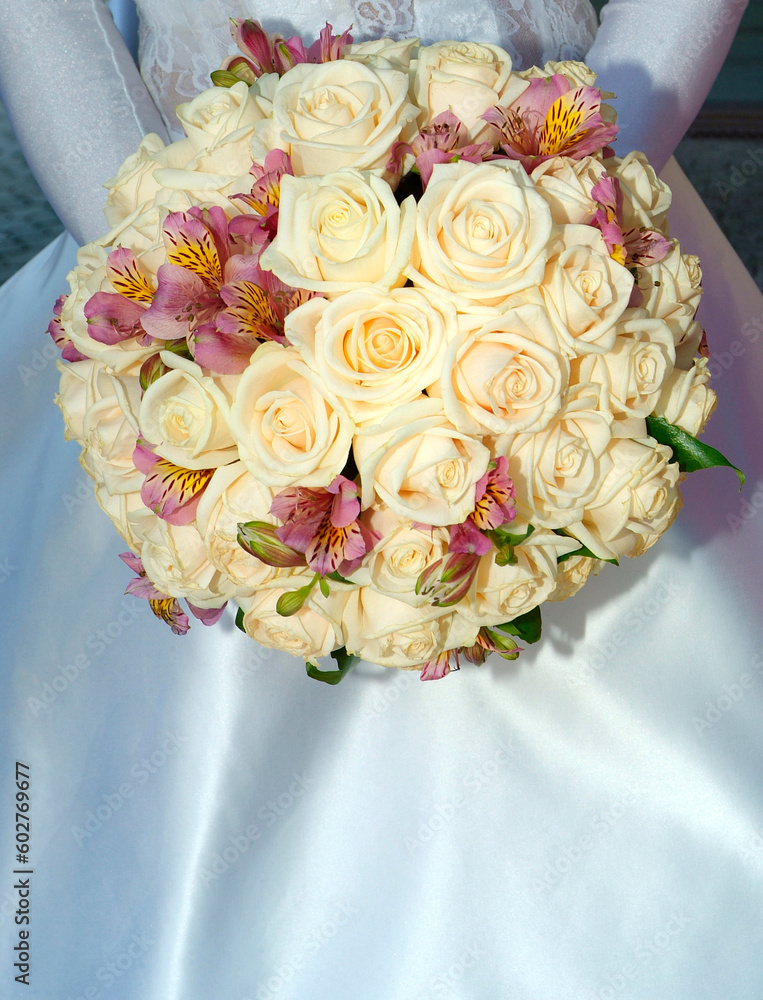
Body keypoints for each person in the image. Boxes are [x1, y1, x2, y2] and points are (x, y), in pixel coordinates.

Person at [1, 3, 761, 997]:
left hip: (576, 247)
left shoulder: (574, 226)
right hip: (184, 246)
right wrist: (154, 281)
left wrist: (569, 218)